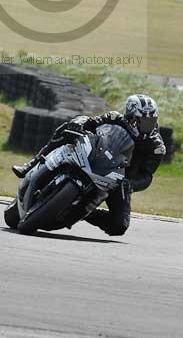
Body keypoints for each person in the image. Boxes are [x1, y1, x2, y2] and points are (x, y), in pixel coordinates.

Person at [12, 93, 166, 236]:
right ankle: (33, 163)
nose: (148, 125)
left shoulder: (156, 147)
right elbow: (91, 122)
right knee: (66, 129)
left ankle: (86, 211)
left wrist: (131, 184)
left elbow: (147, 176)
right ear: (131, 117)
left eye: (151, 121)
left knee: (119, 226)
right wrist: (79, 122)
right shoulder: (115, 118)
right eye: (144, 121)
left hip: (118, 179)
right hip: (96, 156)